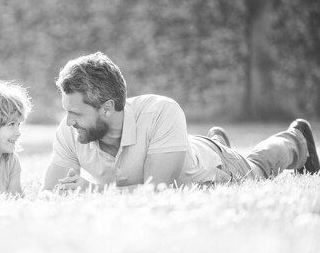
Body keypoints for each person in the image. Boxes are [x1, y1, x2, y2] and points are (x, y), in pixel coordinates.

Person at [42, 52, 319, 192]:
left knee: (257, 169)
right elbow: (50, 193)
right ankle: (216, 140)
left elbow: (158, 191)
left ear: (107, 108)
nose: (68, 122)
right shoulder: (70, 131)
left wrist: (94, 192)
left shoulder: (162, 111)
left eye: (76, 114)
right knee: (193, 149)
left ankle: (295, 140)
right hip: (180, 149)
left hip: (215, 170)